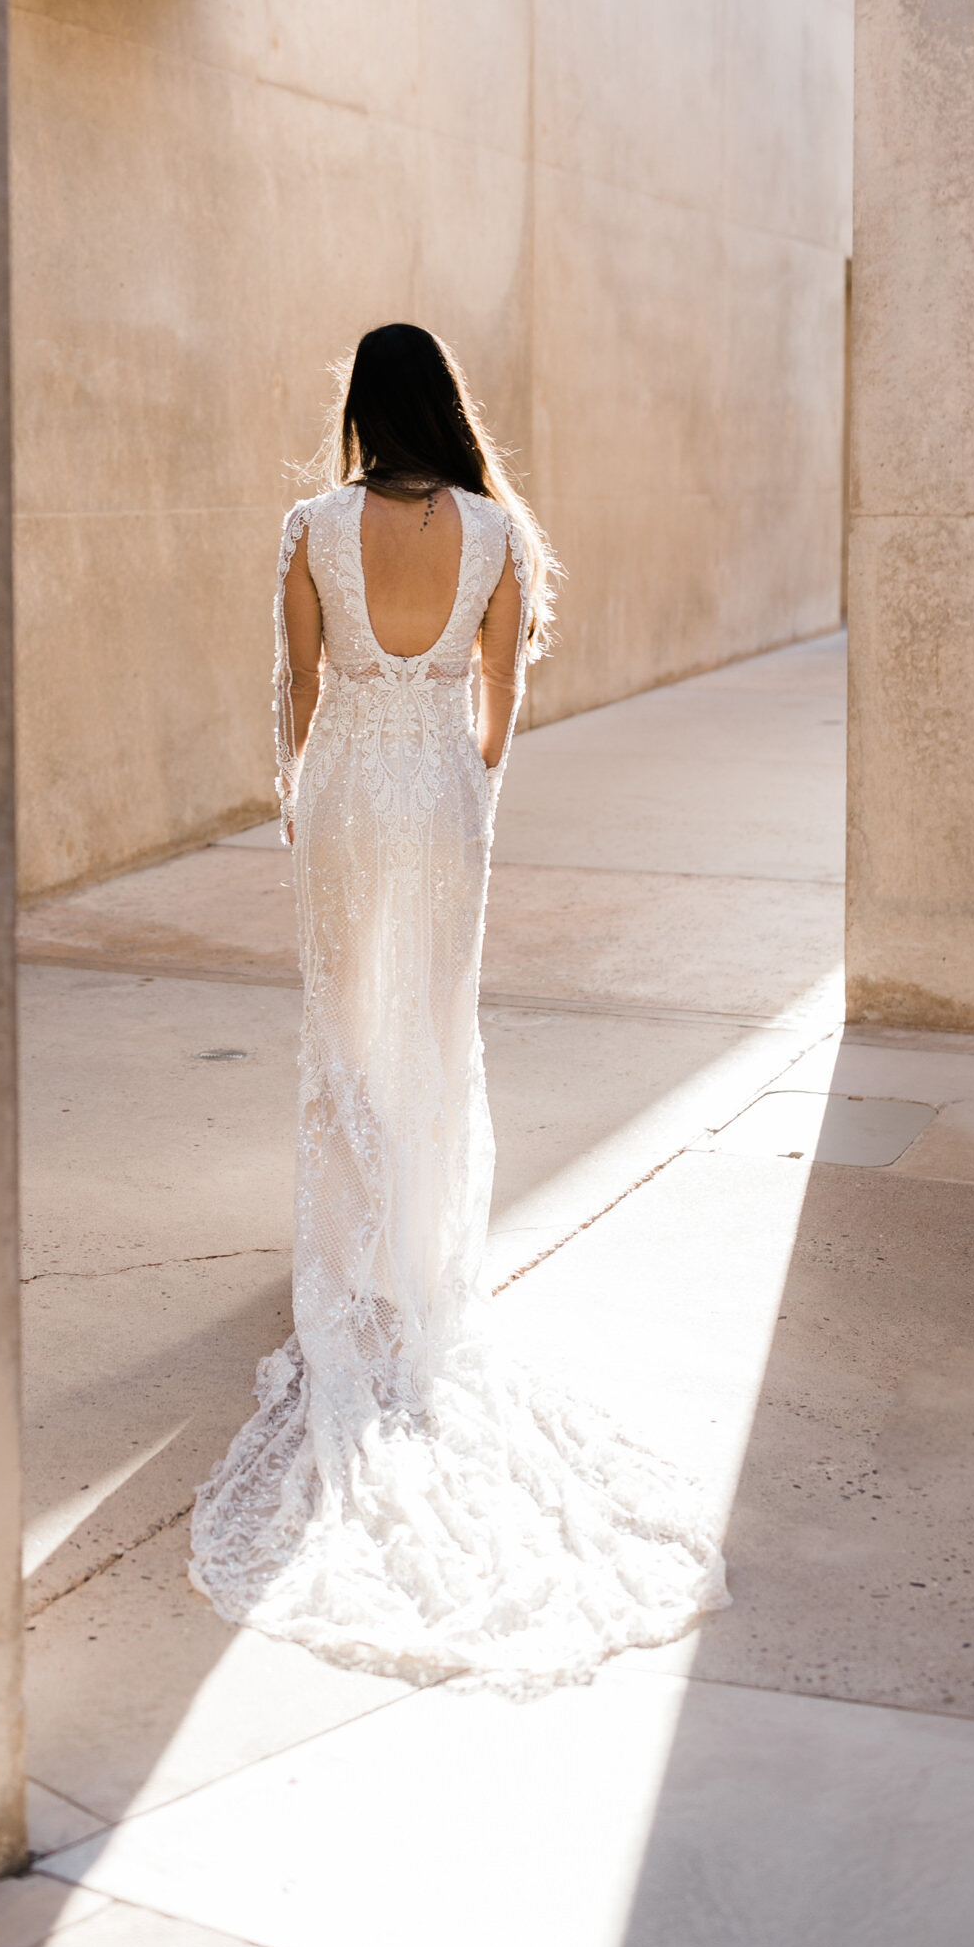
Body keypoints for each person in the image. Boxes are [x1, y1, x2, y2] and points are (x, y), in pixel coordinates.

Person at [189, 325, 727, 1690]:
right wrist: (457, 777)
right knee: (433, 1033)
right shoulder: (497, 535)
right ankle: (417, 1267)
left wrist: (300, 802)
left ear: (363, 412)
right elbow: (497, 710)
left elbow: (299, 694)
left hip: (350, 797)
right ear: (447, 405)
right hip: (441, 801)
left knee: (346, 1034)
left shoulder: (312, 524)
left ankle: (356, 1261)